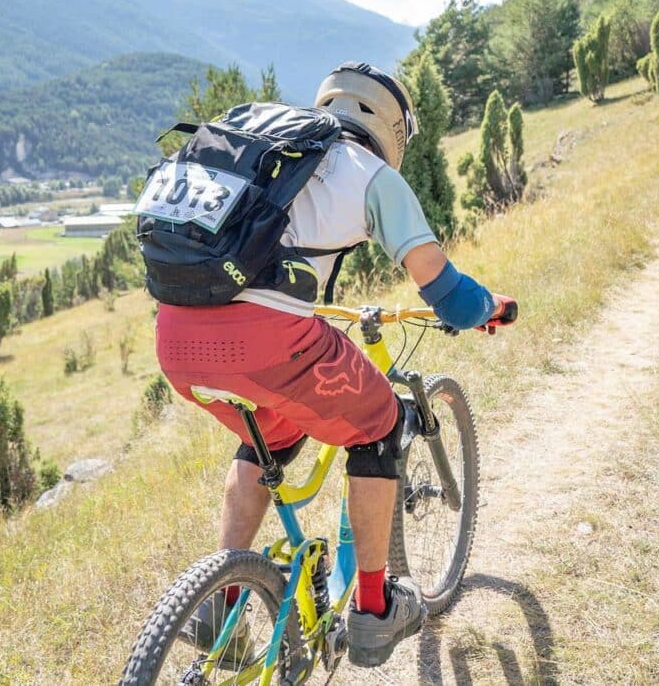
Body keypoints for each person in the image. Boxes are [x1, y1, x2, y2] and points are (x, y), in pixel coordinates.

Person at [154, 61, 513, 667]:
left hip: (176, 337)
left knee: (273, 429)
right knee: (383, 425)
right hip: (268, 340)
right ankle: (373, 609)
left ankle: (222, 600)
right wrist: (486, 308)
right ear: (394, 127)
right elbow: (443, 288)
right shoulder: (368, 172)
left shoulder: (269, 145)